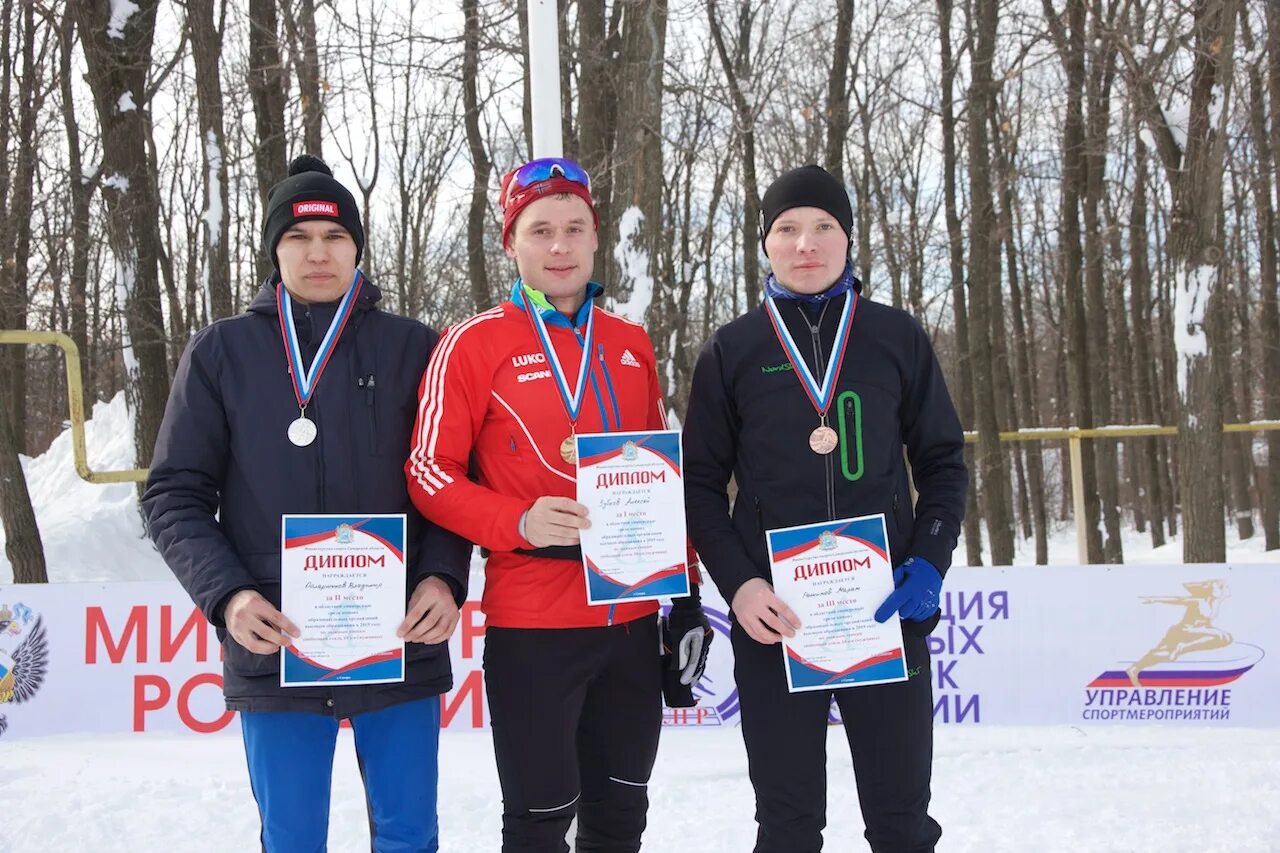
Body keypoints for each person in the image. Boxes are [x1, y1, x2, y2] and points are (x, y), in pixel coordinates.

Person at [142, 154, 470, 853]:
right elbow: (174, 493)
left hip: (399, 634)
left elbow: (449, 476)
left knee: (410, 833)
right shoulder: (221, 352)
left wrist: (443, 575)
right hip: (275, 638)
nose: (318, 253)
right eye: (298, 238)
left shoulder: (417, 347)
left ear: (356, 246)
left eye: (334, 237)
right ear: (274, 249)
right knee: (290, 838)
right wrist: (228, 597)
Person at [405, 157, 709, 853]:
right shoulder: (473, 342)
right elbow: (428, 471)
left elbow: (661, 480)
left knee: (620, 822)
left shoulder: (630, 345)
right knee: (541, 824)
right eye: (540, 230)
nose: (560, 245)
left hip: (632, 622)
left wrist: (686, 598)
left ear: (596, 237)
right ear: (512, 242)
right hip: (535, 624)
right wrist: (516, 520)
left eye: (575, 228)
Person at [682, 164, 968, 853]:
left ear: (848, 240)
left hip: (884, 615)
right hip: (777, 621)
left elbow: (943, 463)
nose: (805, 243)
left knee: (902, 823)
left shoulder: (895, 338)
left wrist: (927, 559)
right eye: (787, 228)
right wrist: (741, 585)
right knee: (787, 825)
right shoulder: (732, 350)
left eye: (823, 227)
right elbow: (696, 484)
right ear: (766, 244)